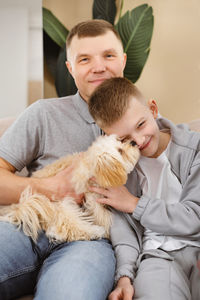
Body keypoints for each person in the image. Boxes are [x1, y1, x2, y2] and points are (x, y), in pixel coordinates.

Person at [0, 19, 127, 300]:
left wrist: (128, 273)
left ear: (123, 60)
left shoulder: (145, 125)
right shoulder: (44, 113)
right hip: (29, 224)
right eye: (84, 59)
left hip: (91, 243)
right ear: (70, 68)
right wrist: (52, 188)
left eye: (108, 55)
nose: (98, 67)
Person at [88, 77, 200, 300]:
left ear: (153, 109)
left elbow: (195, 216)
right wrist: (124, 277)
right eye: (125, 140)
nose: (139, 141)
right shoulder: (119, 175)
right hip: (157, 257)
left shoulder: (194, 148)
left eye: (141, 125)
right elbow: (125, 236)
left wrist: (134, 204)